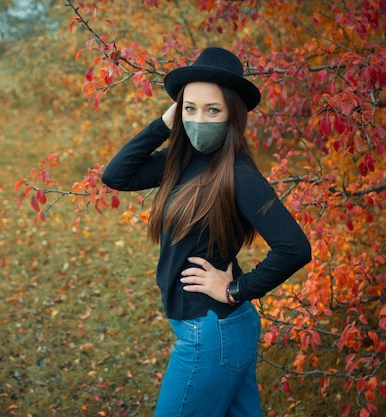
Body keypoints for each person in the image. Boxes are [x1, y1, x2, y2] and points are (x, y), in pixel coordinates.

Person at [101, 47, 312, 417]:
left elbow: (294, 247)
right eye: (190, 109)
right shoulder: (177, 163)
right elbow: (116, 175)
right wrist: (167, 121)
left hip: (210, 333)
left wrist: (235, 289)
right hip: (218, 328)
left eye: (212, 110)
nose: (199, 119)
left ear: (233, 114)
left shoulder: (240, 175)